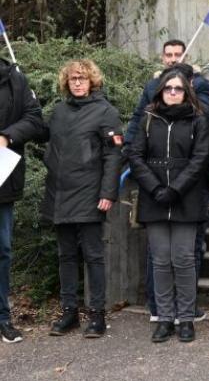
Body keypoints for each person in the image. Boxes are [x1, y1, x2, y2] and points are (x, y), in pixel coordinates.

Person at [125, 40, 209, 322]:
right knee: (160, 261)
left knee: (184, 260)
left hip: (186, 198)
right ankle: (163, 317)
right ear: (161, 91)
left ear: (185, 91)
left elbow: (200, 158)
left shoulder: (198, 119)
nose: (172, 92)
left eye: (178, 88)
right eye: (168, 88)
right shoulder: (148, 119)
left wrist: (176, 189)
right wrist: (155, 188)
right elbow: (136, 154)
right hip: (155, 199)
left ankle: (185, 318)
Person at [41, 60, 122, 338]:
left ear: (92, 82)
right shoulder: (59, 111)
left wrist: (107, 192)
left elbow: (113, 156)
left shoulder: (106, 112)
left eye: (82, 78)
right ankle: (69, 313)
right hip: (59, 193)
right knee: (65, 256)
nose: (77, 82)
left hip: (90, 194)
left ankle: (97, 315)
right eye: (73, 78)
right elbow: (44, 137)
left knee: (93, 256)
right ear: (66, 82)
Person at [0, 57, 45, 344]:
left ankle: (3, 317)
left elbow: (34, 119)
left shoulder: (15, 78)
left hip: (3, 178)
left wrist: (6, 136)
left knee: (2, 251)